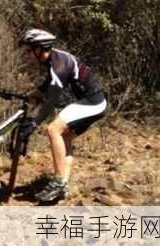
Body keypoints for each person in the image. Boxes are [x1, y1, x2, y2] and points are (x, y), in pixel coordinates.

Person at [18, 28, 107, 202]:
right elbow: (49, 83)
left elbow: (51, 102)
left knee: (53, 129)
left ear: (40, 49)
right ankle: (63, 186)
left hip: (94, 102)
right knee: (64, 137)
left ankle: (57, 183)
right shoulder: (54, 59)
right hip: (93, 101)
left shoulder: (58, 65)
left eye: (29, 50)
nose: (27, 55)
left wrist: (34, 123)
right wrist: (34, 93)